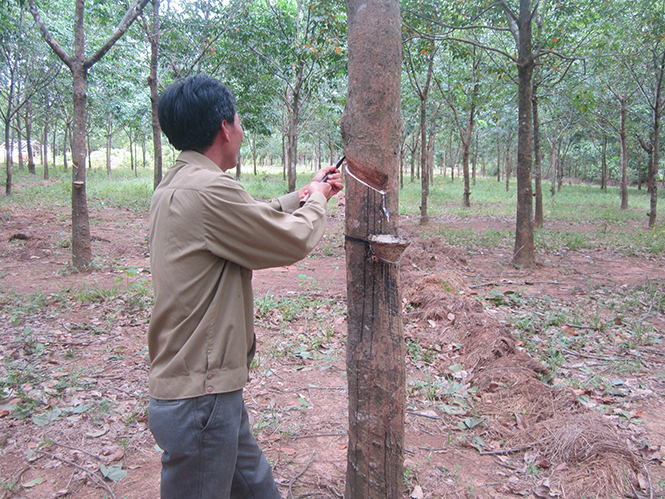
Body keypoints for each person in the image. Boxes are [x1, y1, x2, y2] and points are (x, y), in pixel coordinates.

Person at [147, 74, 342, 499]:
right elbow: (290, 239)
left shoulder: (176, 185)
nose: (241, 131)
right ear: (224, 127)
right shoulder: (210, 191)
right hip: (201, 397)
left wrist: (306, 192)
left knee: (256, 488)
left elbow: (251, 214)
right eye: (238, 121)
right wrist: (321, 202)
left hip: (208, 391)